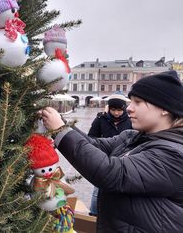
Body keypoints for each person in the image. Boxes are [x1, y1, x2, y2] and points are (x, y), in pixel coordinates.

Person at [40, 70, 183, 233]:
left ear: (164, 108)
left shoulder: (174, 154)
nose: (129, 108)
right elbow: (93, 145)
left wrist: (60, 131)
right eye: (131, 101)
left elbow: (112, 172)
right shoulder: (132, 137)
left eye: (138, 102)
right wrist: (61, 124)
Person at [88, 92, 132, 216]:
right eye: (113, 110)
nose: (116, 113)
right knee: (98, 189)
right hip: (103, 160)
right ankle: (94, 213)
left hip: (124, 162)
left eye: (119, 110)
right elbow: (91, 137)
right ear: (109, 108)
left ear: (124, 109)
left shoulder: (130, 121)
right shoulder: (100, 119)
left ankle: (116, 215)